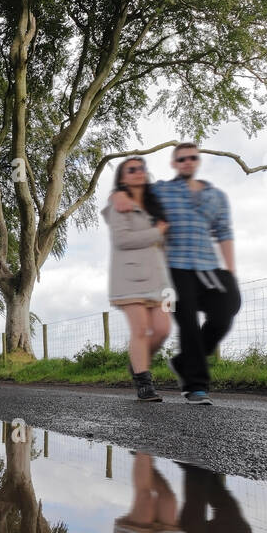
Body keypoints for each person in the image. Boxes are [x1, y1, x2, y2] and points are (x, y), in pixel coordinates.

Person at [109, 142, 241, 405]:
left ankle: (182, 362)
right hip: (172, 273)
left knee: (226, 311)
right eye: (181, 159)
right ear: (174, 164)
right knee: (186, 323)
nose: (187, 162)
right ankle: (195, 387)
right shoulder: (162, 191)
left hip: (208, 267)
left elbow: (224, 234)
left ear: (197, 160)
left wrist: (231, 271)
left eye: (192, 158)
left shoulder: (216, 196)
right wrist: (117, 194)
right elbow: (134, 190)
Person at [101, 156, 172, 402]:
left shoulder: (155, 205)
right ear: (122, 178)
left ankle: (137, 362)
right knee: (140, 329)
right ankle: (144, 383)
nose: (138, 172)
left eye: (142, 168)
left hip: (159, 281)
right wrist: (157, 232)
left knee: (163, 329)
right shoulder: (118, 206)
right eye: (131, 170)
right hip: (129, 279)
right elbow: (123, 240)